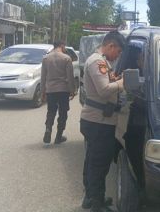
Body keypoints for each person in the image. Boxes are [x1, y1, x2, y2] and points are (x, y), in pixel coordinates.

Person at [80, 31, 125, 212]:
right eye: (119, 51)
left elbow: (110, 81)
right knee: (99, 164)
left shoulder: (102, 62)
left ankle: (91, 197)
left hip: (97, 121)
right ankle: (96, 205)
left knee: (92, 161)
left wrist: (119, 78)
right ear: (110, 46)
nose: (118, 55)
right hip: (98, 122)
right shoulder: (97, 61)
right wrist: (125, 83)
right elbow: (105, 90)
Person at [41, 41, 76, 145]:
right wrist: (72, 90)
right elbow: (70, 76)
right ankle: (58, 136)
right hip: (63, 90)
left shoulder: (46, 58)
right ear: (62, 46)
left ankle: (48, 129)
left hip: (50, 90)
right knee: (63, 113)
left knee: (51, 111)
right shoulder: (66, 58)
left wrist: (43, 91)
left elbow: (43, 77)